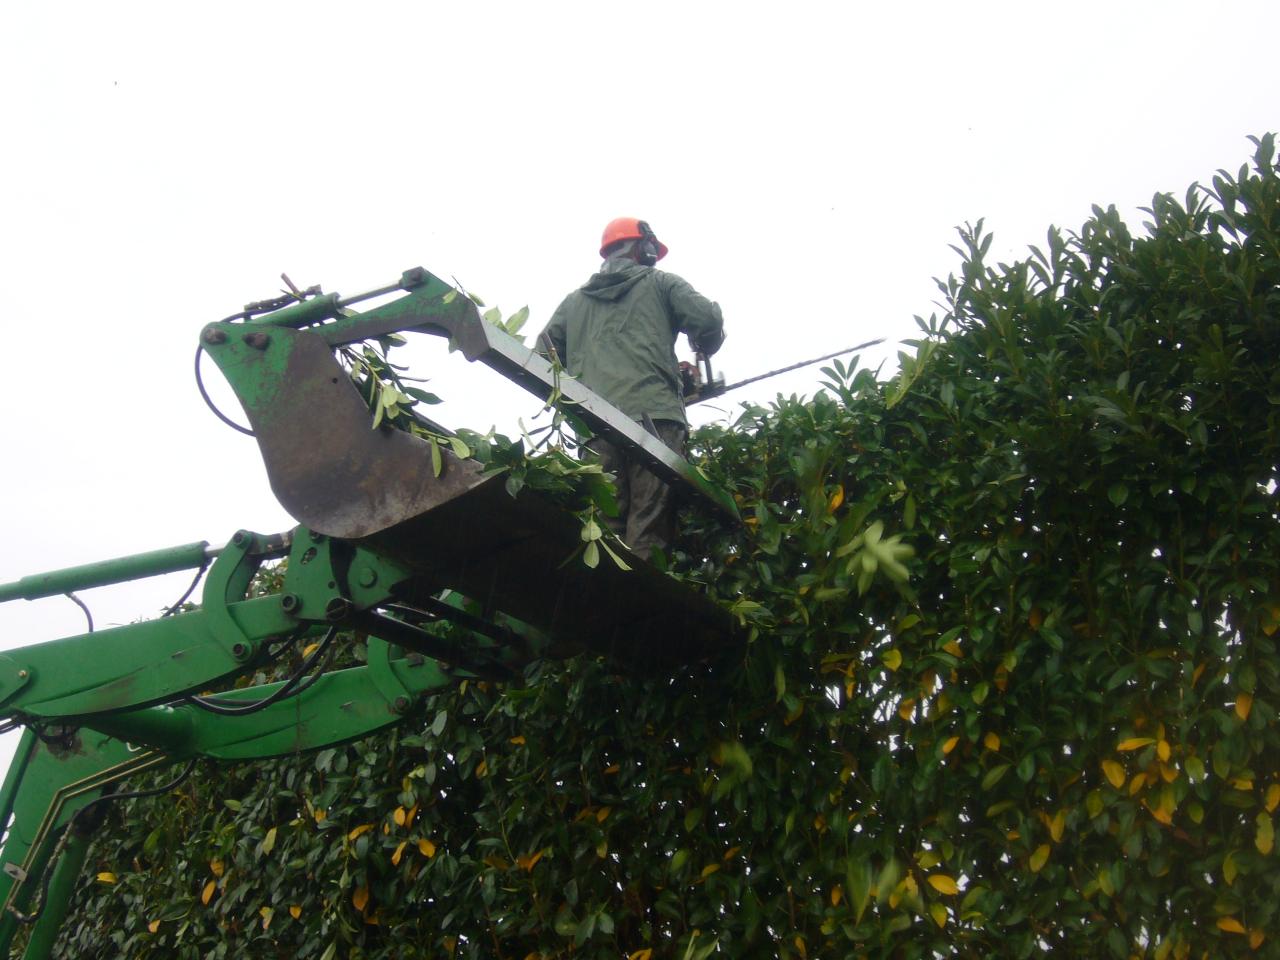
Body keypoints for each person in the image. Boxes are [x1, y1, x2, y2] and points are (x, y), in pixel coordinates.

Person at [538, 217, 725, 560]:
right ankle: (640, 605)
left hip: (593, 426)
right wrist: (706, 342)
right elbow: (707, 320)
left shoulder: (572, 304)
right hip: (654, 421)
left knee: (606, 529)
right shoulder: (661, 283)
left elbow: (541, 357)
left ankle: (607, 603)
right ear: (646, 248)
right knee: (649, 525)